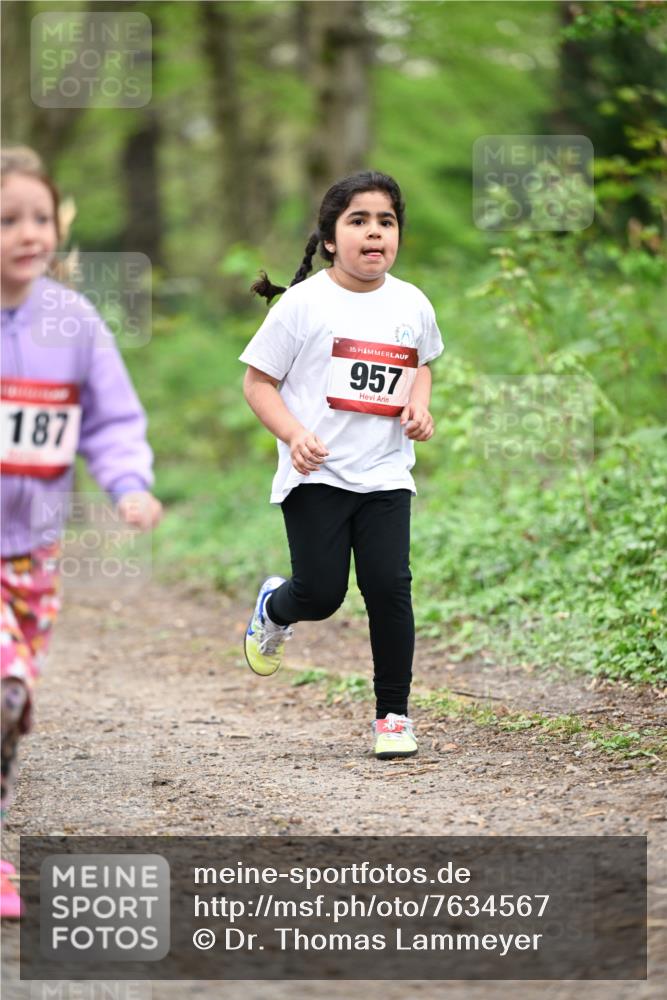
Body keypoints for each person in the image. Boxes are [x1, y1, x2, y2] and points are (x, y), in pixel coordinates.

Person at [0, 146, 162, 917]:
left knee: (11, 701)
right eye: (7, 220)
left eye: (38, 217)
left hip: (34, 549)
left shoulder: (73, 321)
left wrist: (129, 485)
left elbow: (111, 419)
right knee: (0, 686)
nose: (28, 234)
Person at [239, 170, 443, 761]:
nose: (374, 232)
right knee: (322, 594)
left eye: (386, 221)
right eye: (358, 221)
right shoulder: (304, 306)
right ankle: (275, 608)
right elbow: (258, 384)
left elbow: (421, 364)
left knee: (389, 588)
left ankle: (394, 716)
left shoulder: (412, 302)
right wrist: (294, 433)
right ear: (330, 237)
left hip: (384, 474)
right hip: (317, 474)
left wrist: (419, 405)